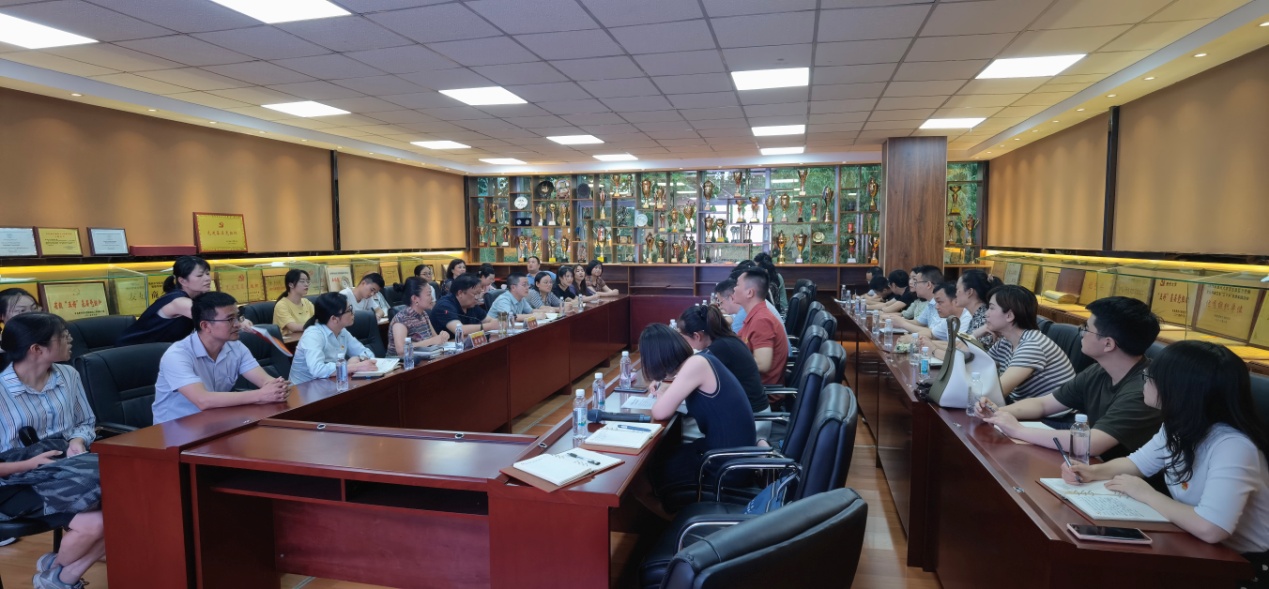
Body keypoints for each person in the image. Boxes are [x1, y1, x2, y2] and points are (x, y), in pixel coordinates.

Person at [1062, 341, 1269, 576]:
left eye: (1150, 377)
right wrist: (1092, 472)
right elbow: (1137, 463)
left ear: (1180, 390)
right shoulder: (1179, 426)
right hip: (1193, 544)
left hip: (1241, 564)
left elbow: (1211, 527)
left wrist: (1147, 494)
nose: (1144, 381)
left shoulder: (1233, 446)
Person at [981, 296, 1163, 461]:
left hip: (1128, 477)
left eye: (1087, 329)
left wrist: (1019, 430)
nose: (1081, 333)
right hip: (1095, 465)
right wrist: (997, 412)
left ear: (1108, 344)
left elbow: (1092, 443)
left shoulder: (1145, 388)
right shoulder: (1099, 370)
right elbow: (1044, 404)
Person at [0, 313, 105, 589]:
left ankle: (58, 575)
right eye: (63, 335)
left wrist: (78, 441)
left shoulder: (68, 375)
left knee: (125, 504)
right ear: (36, 349)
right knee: (102, 520)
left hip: (63, 471)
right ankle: (58, 574)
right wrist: (29, 464)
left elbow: (85, 422)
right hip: (12, 482)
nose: (70, 338)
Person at [642, 323, 756, 491]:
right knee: (664, 456)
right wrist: (668, 389)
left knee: (653, 470)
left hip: (726, 464)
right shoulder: (701, 358)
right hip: (729, 451)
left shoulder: (695, 365)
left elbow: (660, 412)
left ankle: (665, 505)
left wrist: (662, 396)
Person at [152, 292, 291, 423]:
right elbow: (202, 400)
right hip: (176, 430)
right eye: (230, 319)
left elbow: (265, 381)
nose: (238, 324)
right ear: (206, 326)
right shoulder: (177, 355)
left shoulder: (236, 347)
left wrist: (277, 388)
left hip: (216, 421)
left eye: (238, 317)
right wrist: (260, 395)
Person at [678, 304, 770, 439]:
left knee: (680, 429)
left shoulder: (718, 350)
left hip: (750, 422)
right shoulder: (727, 340)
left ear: (697, 336)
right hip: (752, 415)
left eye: (684, 338)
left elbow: (687, 379)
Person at [118, 256, 251, 346]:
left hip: (162, 349)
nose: (207, 278)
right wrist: (239, 322)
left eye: (207, 273)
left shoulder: (198, 297)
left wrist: (238, 319)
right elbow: (214, 317)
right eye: (200, 275)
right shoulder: (179, 302)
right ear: (182, 281)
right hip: (133, 351)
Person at [981, 285, 1076, 403]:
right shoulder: (1006, 342)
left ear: (1009, 316)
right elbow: (978, 368)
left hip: (1053, 414)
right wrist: (975, 334)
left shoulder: (1033, 345)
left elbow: (996, 394)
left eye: (991, 308)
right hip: (1023, 407)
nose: (986, 314)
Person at [289, 293, 379, 385]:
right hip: (304, 388)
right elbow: (317, 370)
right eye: (349, 310)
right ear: (334, 318)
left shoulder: (342, 331)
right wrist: (354, 366)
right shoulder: (313, 335)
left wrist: (359, 358)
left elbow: (366, 352)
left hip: (329, 383)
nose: (353, 312)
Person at [732, 268, 789, 386]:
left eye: (737, 285)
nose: (734, 288)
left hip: (759, 392)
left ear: (750, 293)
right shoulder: (754, 315)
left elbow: (762, 364)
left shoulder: (762, 320)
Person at [387, 277, 450, 357]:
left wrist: (442, 337)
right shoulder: (401, 319)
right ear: (415, 298)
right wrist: (431, 341)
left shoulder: (424, 314)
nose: (432, 298)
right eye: (428, 294)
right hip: (402, 363)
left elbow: (435, 338)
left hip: (424, 358)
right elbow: (401, 350)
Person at [429, 274, 498, 339]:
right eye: (475, 294)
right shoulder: (444, 306)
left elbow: (490, 320)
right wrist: (489, 326)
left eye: (479, 294)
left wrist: (497, 323)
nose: (478, 298)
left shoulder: (471, 304)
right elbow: (460, 330)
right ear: (460, 293)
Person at [914, 282, 973, 354]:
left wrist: (930, 343)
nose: (936, 307)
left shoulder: (968, 318)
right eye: (936, 303)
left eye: (939, 302)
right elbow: (932, 333)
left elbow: (959, 347)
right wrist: (916, 338)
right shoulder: (950, 318)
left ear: (955, 301)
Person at [887, 265, 944, 336]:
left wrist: (903, 324)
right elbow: (919, 323)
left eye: (916, 282)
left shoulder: (941, 304)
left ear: (928, 285)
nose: (914, 285)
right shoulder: (930, 303)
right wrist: (898, 320)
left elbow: (934, 333)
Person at [272, 269, 314, 336]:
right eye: (302, 281)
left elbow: (317, 320)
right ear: (291, 285)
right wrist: (314, 326)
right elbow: (293, 327)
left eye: (307, 281)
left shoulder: (306, 302)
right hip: (289, 341)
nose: (306, 284)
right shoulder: (282, 305)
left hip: (307, 336)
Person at [956, 269, 997, 336]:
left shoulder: (984, 319)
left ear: (969, 292)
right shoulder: (978, 316)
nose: (955, 294)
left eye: (957, 289)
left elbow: (969, 343)